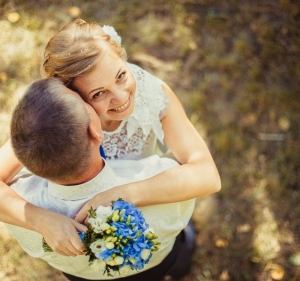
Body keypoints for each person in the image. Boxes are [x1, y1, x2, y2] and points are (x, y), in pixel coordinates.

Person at [0, 19, 221, 255]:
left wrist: (123, 194)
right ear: (73, 97)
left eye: (121, 75)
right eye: (98, 93)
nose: (121, 97)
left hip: (149, 188)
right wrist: (42, 220)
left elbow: (208, 175)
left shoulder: (155, 95)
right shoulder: (59, 119)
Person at [6, 78, 196, 280]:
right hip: (158, 262)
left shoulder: (19, 204)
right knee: (180, 255)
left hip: (81, 276)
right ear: (96, 131)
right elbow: (186, 201)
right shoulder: (158, 174)